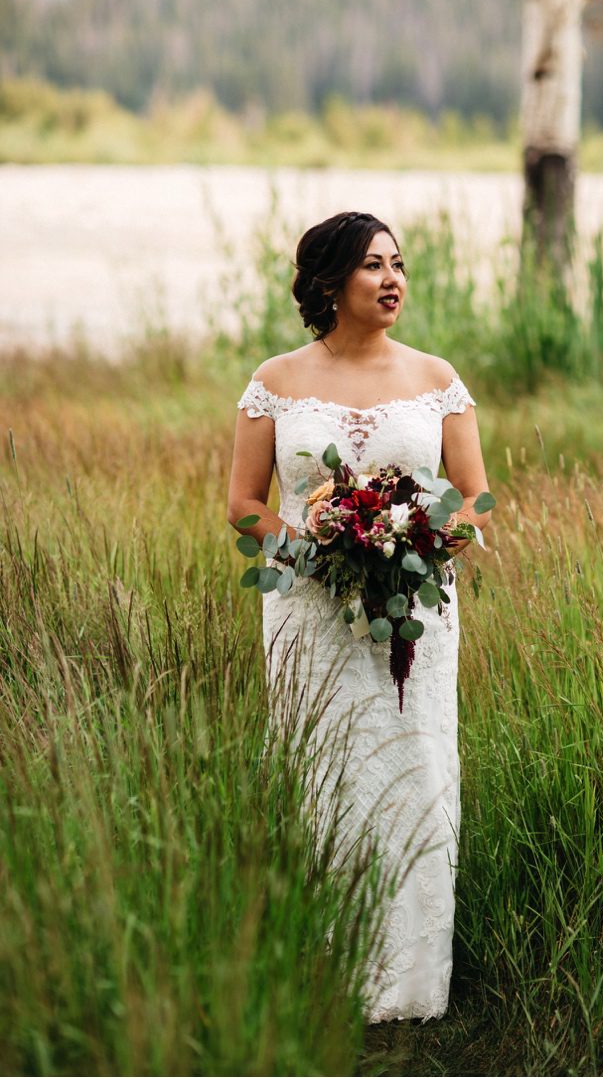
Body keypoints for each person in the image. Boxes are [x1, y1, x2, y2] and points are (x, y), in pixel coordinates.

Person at [225, 210, 490, 1022]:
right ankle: (324, 972)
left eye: (399, 264)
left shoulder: (436, 377)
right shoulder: (276, 380)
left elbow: (475, 499)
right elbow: (242, 506)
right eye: (374, 265)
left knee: (415, 773)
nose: (392, 279)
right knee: (324, 775)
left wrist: (416, 537)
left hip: (413, 610)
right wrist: (311, 547)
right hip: (308, 614)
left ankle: (412, 985)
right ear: (330, 281)